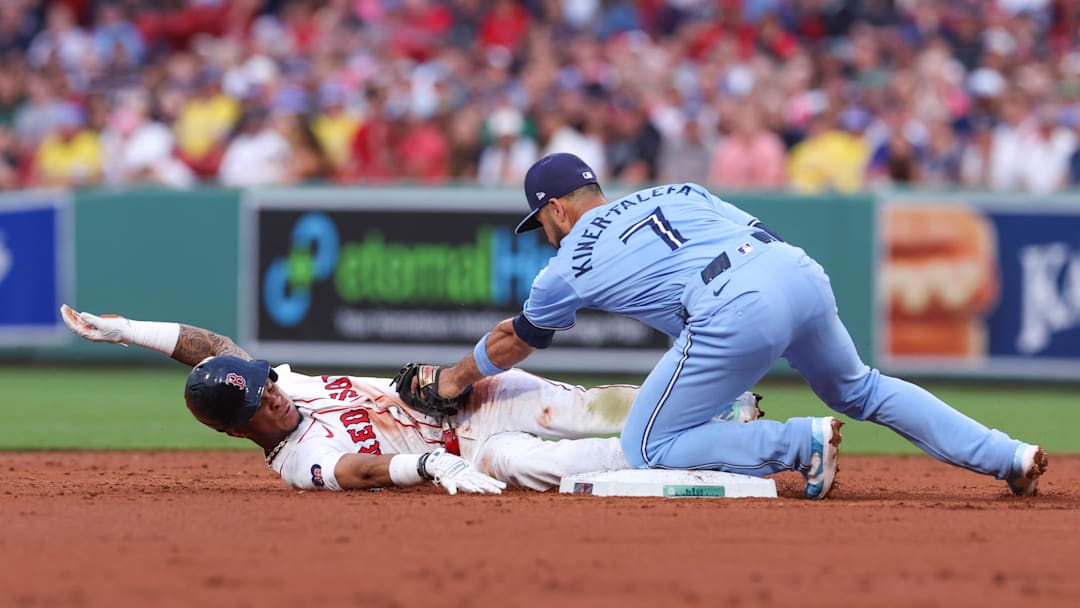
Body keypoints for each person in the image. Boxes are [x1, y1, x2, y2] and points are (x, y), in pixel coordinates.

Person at [412, 152, 1049, 498]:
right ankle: (1009, 455)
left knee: (650, 445)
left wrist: (453, 379)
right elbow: (728, 247)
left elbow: (513, 340)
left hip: (734, 304)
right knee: (861, 387)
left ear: (554, 209)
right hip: (795, 270)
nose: (543, 233)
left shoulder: (568, 261)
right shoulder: (677, 191)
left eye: (541, 221)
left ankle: (798, 445)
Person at [59, 304, 765, 495]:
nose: (270, 394)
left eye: (263, 382)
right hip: (471, 452)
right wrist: (423, 469)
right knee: (543, 462)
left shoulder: (283, 384)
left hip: (464, 401)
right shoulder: (299, 460)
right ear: (236, 430)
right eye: (256, 403)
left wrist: (128, 332)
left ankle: (723, 407)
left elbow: (210, 344)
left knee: (577, 404)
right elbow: (355, 473)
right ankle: (721, 454)